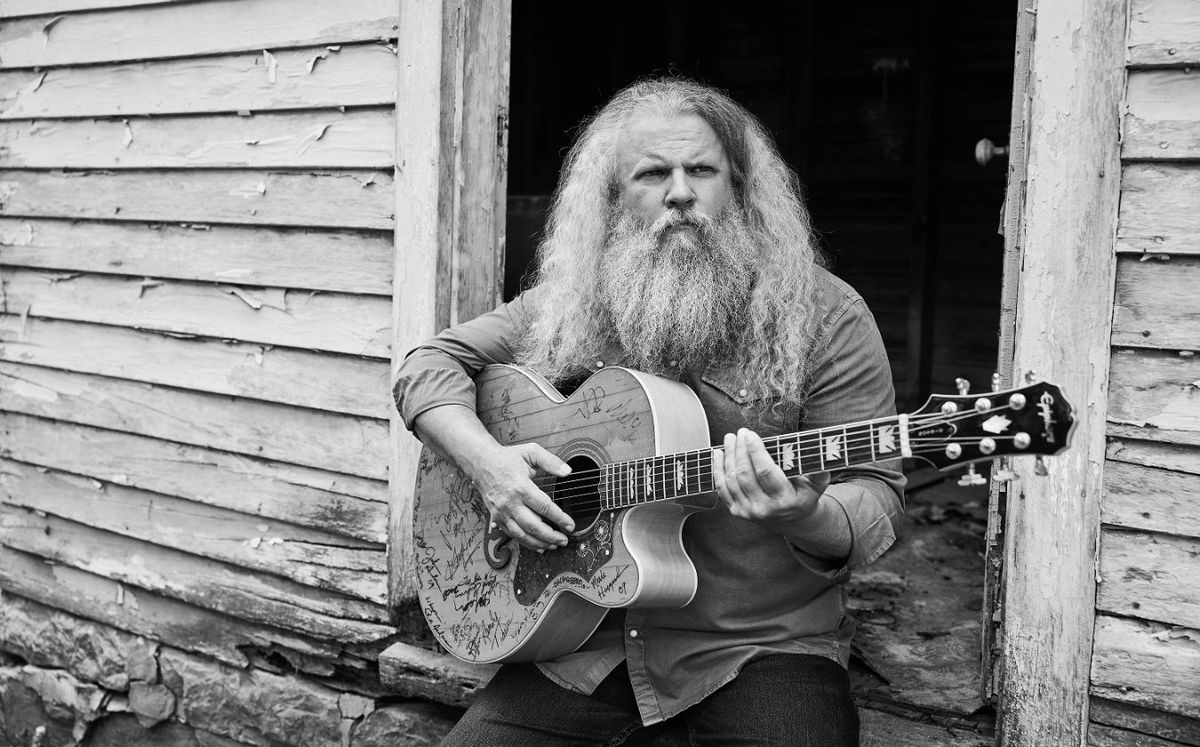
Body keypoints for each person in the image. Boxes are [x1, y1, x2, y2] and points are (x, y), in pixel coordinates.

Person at [392, 77, 904, 746]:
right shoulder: (575, 301)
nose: (680, 192)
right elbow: (427, 365)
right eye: (653, 173)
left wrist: (805, 517)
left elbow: (876, 492)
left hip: (758, 645)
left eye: (702, 170)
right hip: (585, 639)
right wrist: (490, 467)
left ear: (741, 187)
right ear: (613, 197)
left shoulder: (827, 316)